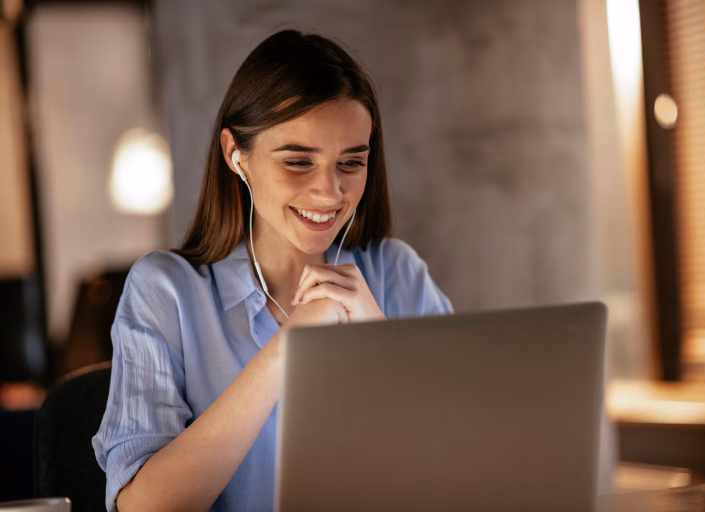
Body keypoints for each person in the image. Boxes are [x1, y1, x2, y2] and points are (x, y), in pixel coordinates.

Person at [92, 29, 452, 512]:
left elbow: (460, 472)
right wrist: (288, 349)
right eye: (298, 161)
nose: (330, 193)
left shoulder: (399, 275)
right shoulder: (166, 292)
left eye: (351, 163)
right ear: (236, 155)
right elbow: (148, 507)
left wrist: (381, 349)